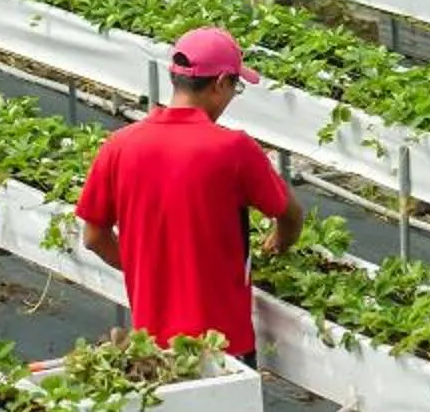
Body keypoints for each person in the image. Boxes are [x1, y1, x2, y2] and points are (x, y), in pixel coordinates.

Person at [73, 26, 302, 358]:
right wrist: (282, 240)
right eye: (235, 86)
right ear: (220, 83)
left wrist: (148, 269)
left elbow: (94, 237)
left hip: (151, 346)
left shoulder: (119, 145)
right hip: (223, 344)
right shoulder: (234, 149)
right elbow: (290, 213)